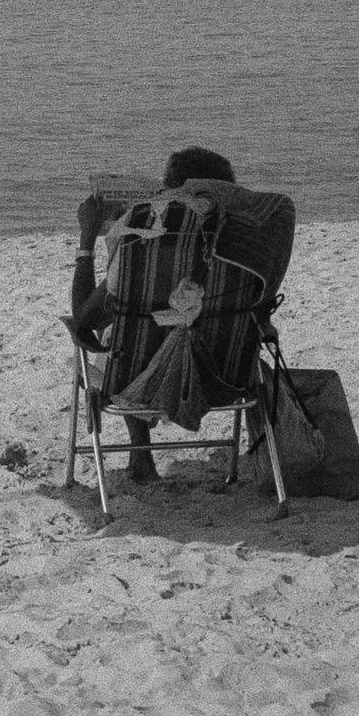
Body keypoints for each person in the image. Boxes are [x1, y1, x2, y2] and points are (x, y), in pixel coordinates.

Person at [68, 145, 238, 484]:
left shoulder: (140, 246)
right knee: (165, 329)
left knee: (121, 335)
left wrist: (87, 237)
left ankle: (141, 457)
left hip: (139, 380)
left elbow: (85, 317)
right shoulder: (242, 244)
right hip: (225, 375)